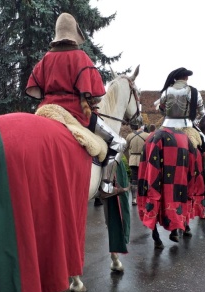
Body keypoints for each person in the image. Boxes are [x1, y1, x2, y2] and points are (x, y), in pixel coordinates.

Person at [25, 12, 129, 199]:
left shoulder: (46, 59)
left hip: (46, 110)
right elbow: (96, 96)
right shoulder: (80, 58)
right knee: (118, 142)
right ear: (74, 34)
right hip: (74, 113)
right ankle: (105, 187)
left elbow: (36, 90)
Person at [138, 67, 205, 242]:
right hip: (186, 127)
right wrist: (195, 119)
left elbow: (161, 108)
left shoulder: (166, 90)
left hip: (165, 126)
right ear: (185, 78)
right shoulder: (193, 91)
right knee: (202, 148)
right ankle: (204, 169)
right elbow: (203, 113)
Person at [126, 120, 149, 205]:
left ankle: (134, 199)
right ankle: (143, 197)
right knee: (144, 179)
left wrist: (129, 158)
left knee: (134, 179)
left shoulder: (129, 136)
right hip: (143, 160)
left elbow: (125, 149)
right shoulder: (147, 135)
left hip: (133, 159)